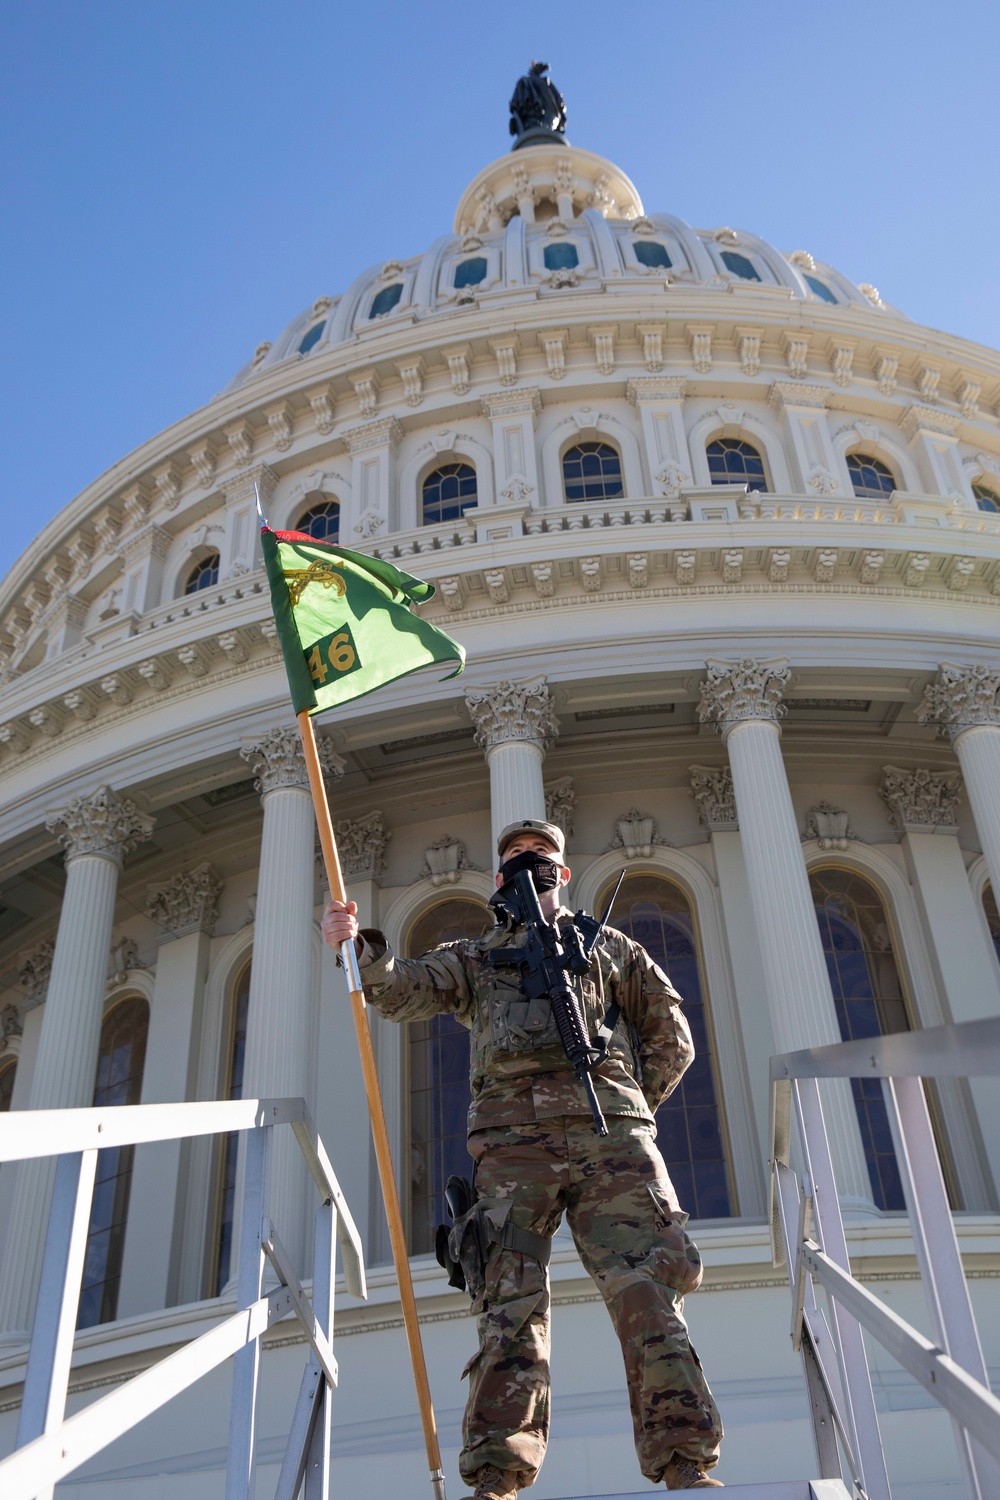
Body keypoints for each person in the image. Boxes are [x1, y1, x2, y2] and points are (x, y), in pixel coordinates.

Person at [322, 819, 724, 1495]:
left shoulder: (612, 950)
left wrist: (626, 1103)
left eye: (540, 857)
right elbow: (403, 990)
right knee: (509, 1309)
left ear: (564, 873)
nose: (527, 865)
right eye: (514, 858)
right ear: (498, 877)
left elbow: (672, 1037)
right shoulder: (475, 957)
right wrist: (357, 951)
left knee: (649, 1295)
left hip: (611, 1142)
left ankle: (685, 1460)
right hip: (512, 1152)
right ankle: (498, 1476)